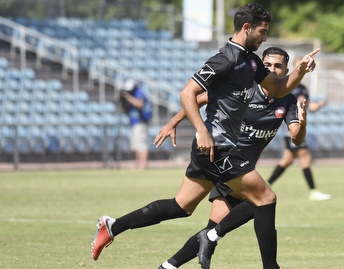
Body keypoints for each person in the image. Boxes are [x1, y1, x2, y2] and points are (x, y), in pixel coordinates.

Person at [91, 3, 319, 269]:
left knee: (181, 206)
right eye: (262, 31)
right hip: (218, 145)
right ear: (246, 28)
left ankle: (113, 226)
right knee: (265, 199)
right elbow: (188, 93)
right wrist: (201, 130)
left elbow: (279, 89)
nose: (265, 38)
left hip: (215, 149)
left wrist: (301, 69)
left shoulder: (251, 62)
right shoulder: (225, 59)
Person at [154, 47, 305, 269]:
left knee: (213, 228)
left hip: (242, 170)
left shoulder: (288, 100)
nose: (272, 70)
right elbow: (198, 98)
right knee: (261, 202)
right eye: (268, 65)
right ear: (261, 67)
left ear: (286, 70)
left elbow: (296, 138)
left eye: (278, 66)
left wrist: (304, 119)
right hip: (228, 163)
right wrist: (174, 121)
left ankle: (169, 266)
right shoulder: (247, 88)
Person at [266, 62, 330, 201]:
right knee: (305, 157)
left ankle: (266, 184)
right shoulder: (285, 85)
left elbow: (309, 106)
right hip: (290, 128)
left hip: (295, 127)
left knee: (287, 160)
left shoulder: (303, 88)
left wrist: (318, 105)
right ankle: (313, 191)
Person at [120, 79, 152, 170]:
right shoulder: (133, 94)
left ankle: (143, 163)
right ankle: (138, 163)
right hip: (135, 123)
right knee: (136, 144)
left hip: (141, 122)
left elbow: (140, 104)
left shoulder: (139, 93)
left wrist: (128, 97)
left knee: (141, 143)